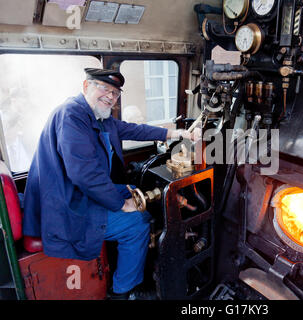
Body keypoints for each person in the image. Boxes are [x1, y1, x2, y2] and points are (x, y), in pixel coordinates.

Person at [22, 68, 198, 299]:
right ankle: (124, 291)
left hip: (74, 193)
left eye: (115, 93)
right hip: (66, 204)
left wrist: (178, 134)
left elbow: (134, 129)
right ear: (86, 86)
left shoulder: (95, 116)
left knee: (134, 191)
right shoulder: (72, 115)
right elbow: (83, 174)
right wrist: (122, 205)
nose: (110, 97)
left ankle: (132, 258)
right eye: (104, 88)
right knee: (136, 225)